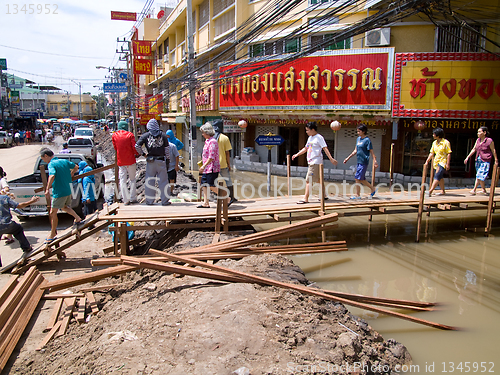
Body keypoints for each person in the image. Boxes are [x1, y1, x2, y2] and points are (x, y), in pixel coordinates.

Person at [40, 148, 85, 243]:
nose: (44, 161)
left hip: (59, 192)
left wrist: (47, 189)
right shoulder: (64, 161)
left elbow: (52, 175)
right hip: (68, 190)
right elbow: (76, 167)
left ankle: (52, 233)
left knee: (53, 212)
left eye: (43, 159)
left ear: (46, 156)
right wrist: (71, 173)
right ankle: (77, 218)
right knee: (64, 207)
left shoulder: (51, 164)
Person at [292, 121, 338, 203]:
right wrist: (297, 154)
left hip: (315, 162)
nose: (306, 132)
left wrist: (331, 159)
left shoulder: (319, 137)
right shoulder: (310, 138)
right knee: (318, 180)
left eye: (307, 130)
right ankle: (324, 195)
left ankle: (305, 198)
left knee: (308, 180)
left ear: (313, 129)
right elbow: (306, 148)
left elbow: (325, 148)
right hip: (311, 161)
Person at [135, 119, 171, 206]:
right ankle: (165, 201)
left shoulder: (145, 136)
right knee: (163, 182)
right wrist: (168, 160)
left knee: (150, 181)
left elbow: (137, 146)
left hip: (150, 161)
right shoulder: (163, 135)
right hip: (161, 161)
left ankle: (150, 201)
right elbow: (167, 150)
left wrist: (143, 154)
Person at [197, 123, 230, 208]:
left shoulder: (213, 142)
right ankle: (206, 202)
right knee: (204, 184)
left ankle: (227, 197)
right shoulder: (207, 141)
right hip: (207, 168)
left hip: (212, 168)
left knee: (211, 185)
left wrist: (204, 166)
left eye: (203, 132)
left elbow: (211, 156)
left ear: (207, 132)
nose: (202, 134)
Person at [343, 124, 378, 199]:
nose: (358, 133)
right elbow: (355, 150)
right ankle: (361, 193)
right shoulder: (358, 139)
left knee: (358, 178)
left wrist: (375, 161)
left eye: (359, 131)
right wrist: (347, 158)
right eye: (357, 131)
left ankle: (369, 190)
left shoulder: (367, 140)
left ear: (364, 131)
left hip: (364, 161)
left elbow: (371, 152)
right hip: (359, 161)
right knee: (359, 178)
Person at [0, 194, 40, 258]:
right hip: (6, 224)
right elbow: (19, 205)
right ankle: (26, 247)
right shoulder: (4, 198)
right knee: (18, 229)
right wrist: (32, 201)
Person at [464, 126, 498, 195]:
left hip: (486, 159)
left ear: (484, 133)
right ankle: (483, 190)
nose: (478, 133)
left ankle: (474, 189)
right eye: (478, 132)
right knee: (479, 175)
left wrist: (496, 159)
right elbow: (474, 149)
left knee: (480, 175)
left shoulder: (489, 141)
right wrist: (468, 157)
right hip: (478, 159)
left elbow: (493, 150)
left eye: (480, 132)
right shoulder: (478, 140)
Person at [112, 120, 139, 205]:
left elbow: (115, 148)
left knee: (122, 180)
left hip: (121, 161)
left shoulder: (114, 135)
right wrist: (137, 154)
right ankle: (133, 198)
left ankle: (125, 200)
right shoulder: (130, 135)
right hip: (131, 160)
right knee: (132, 179)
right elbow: (134, 147)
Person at [212, 119, 237, 206]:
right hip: (222, 164)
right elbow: (227, 153)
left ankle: (217, 196)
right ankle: (231, 197)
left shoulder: (210, 138)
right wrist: (228, 164)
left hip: (213, 164)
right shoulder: (225, 138)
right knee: (228, 181)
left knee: (213, 181)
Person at [424, 127, 452, 197]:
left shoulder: (446, 142)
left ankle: (430, 191)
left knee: (437, 176)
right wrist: (427, 161)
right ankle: (442, 191)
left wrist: (448, 164)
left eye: (434, 134)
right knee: (440, 177)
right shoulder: (434, 143)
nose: (433, 135)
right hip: (436, 162)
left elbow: (449, 153)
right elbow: (432, 153)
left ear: (438, 135)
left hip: (443, 162)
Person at [0, 166, 15, 244]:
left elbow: (6, 189)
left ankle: (10, 236)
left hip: (3, 202)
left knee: (5, 218)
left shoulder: (2, 180)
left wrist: (2, 192)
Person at [165, 132, 180, 196]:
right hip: (163, 166)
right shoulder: (161, 146)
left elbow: (177, 155)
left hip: (172, 166)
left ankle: (170, 192)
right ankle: (165, 191)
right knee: (165, 179)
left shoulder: (172, 146)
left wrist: (176, 165)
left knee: (172, 179)